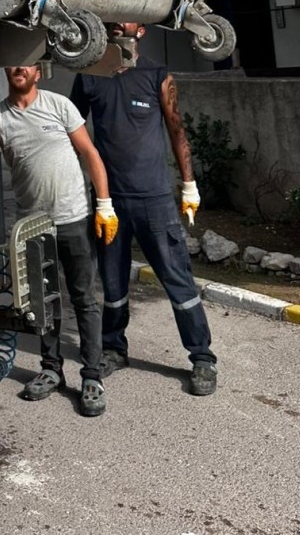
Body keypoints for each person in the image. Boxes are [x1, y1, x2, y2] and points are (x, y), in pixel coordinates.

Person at [71, 23, 218, 396]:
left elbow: (177, 129)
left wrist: (189, 185)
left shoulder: (157, 74)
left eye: (132, 21)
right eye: (116, 21)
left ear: (143, 30)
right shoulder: (88, 77)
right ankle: (114, 349)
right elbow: (72, 131)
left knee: (178, 281)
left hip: (154, 201)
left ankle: (201, 358)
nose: (123, 26)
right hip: (110, 202)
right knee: (114, 283)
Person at [0, 63, 119, 416]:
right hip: (34, 226)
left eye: (26, 62)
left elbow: (90, 153)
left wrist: (104, 205)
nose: (19, 67)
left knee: (84, 300)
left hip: (74, 218)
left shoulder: (59, 105)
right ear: (6, 69)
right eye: (13, 62)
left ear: (38, 71)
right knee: (44, 303)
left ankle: (92, 376)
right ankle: (51, 369)